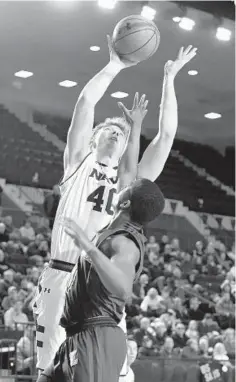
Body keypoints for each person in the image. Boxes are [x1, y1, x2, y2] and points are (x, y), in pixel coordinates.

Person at [34, 33, 197, 372]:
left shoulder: (131, 181)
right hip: (63, 273)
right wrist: (114, 65)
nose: (115, 131)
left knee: (117, 374)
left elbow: (166, 137)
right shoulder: (78, 162)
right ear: (94, 138)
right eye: (108, 128)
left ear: (126, 148)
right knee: (49, 370)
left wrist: (170, 77)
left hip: (103, 286)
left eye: (121, 132)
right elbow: (85, 104)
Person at [37, 178, 165, 382]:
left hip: (97, 337)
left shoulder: (124, 243)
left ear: (125, 203)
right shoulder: (110, 233)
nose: (120, 188)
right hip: (76, 336)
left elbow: (123, 288)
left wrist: (87, 246)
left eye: (125, 189)